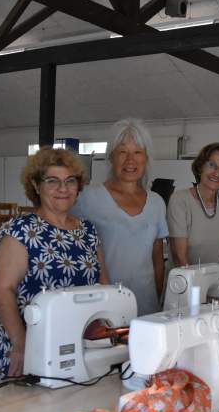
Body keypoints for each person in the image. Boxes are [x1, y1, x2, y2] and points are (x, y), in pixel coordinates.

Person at [0, 148, 108, 380]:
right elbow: (3, 289)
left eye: (70, 181)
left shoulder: (88, 231)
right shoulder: (21, 230)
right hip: (30, 346)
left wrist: (105, 333)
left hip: (80, 344)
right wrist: (21, 344)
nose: (63, 188)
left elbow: (103, 284)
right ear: (36, 186)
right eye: (52, 181)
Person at [72, 118, 168, 316]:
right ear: (111, 157)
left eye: (137, 152)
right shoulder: (87, 198)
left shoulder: (156, 202)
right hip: (102, 307)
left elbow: (157, 260)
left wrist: (156, 303)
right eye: (122, 152)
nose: (130, 160)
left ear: (146, 158)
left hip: (146, 306)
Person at [167, 142, 219, 303]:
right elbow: (180, 258)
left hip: (215, 289)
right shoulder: (180, 199)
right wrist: (198, 299)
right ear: (201, 166)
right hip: (183, 291)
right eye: (211, 165)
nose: (216, 173)